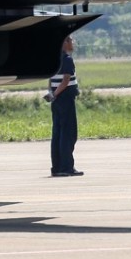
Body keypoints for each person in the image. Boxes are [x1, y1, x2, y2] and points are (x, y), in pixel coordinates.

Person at [48, 35, 83, 177]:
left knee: (57, 133)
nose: (72, 42)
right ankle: (66, 166)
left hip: (56, 100)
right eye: (69, 40)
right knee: (68, 134)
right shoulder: (67, 60)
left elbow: (51, 80)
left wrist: (51, 95)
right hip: (65, 99)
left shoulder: (53, 59)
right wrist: (56, 94)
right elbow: (65, 81)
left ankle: (57, 167)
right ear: (64, 43)